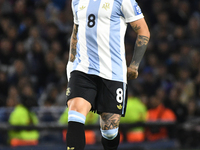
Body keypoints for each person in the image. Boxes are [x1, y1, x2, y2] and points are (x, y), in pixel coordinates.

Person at [66, 0, 150, 149]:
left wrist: (134, 65)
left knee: (109, 131)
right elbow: (76, 32)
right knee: (75, 112)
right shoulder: (77, 1)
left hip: (113, 73)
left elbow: (143, 31)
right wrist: (71, 63)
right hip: (83, 69)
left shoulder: (123, 1)